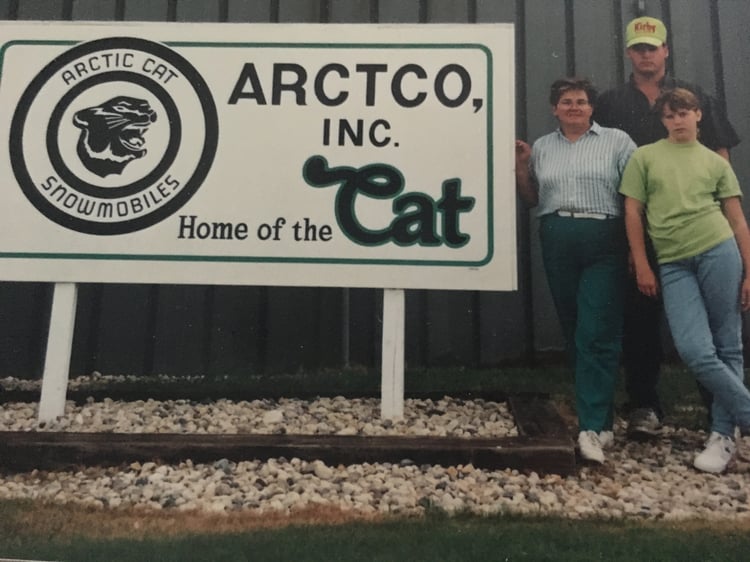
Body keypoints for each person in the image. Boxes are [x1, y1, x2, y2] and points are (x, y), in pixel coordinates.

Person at [593, 15, 740, 440]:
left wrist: (717, 211)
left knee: (714, 325)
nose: (646, 55)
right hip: (640, 222)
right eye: (638, 48)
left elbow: (721, 156)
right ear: (629, 53)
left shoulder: (694, 97)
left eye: (652, 47)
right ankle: (644, 405)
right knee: (639, 316)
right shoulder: (610, 102)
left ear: (665, 50)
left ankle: (719, 410)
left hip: (697, 224)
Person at [621, 88, 750, 473]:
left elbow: (737, 219)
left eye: (684, 113)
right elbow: (633, 212)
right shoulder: (645, 157)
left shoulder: (714, 162)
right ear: (662, 120)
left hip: (718, 250)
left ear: (698, 116)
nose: (677, 121)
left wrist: (748, 270)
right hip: (674, 263)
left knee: (728, 344)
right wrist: (643, 264)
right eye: (670, 115)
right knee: (694, 348)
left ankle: (722, 435)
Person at [516, 77, 636, 463]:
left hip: (603, 233)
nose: (574, 107)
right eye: (566, 102)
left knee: (595, 330)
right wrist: (521, 168)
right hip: (557, 234)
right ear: (554, 109)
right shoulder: (544, 148)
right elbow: (534, 198)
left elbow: (634, 195)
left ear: (591, 108)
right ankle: (601, 418)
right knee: (575, 326)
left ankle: (589, 428)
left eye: (581, 101)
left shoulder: (617, 141)